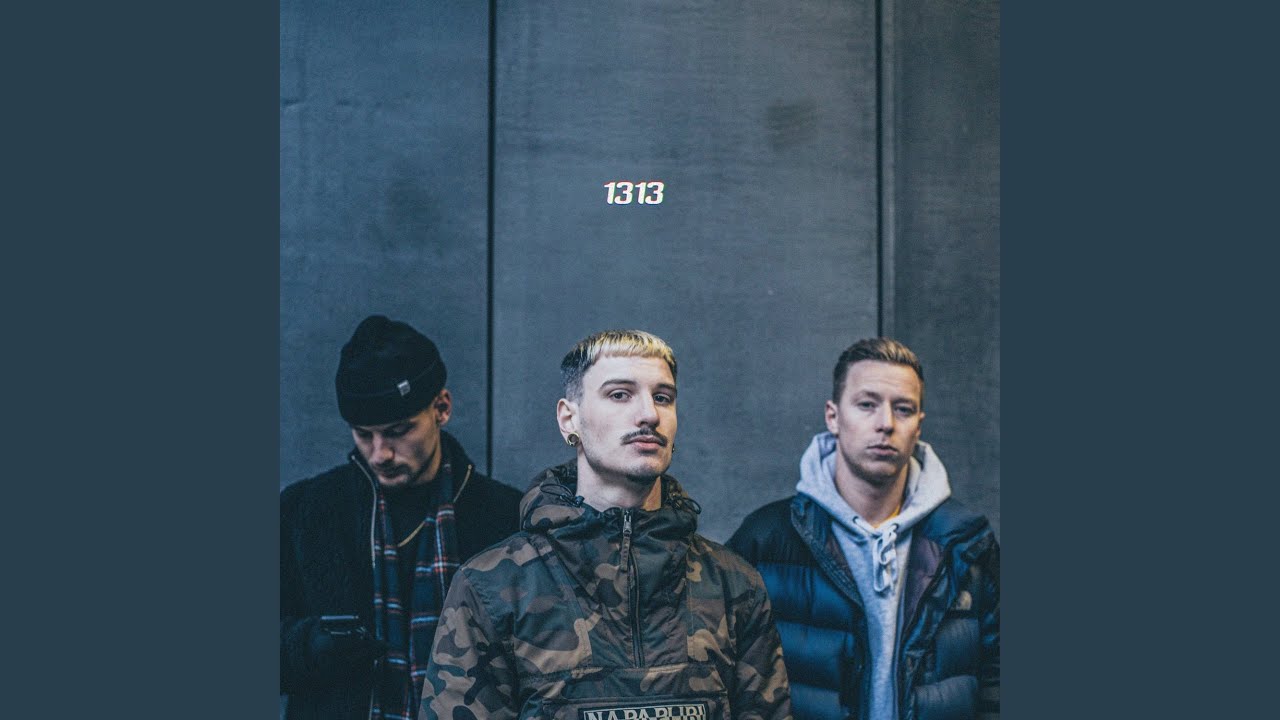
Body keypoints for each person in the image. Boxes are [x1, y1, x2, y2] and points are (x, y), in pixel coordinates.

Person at [419, 330, 792, 720]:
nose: (649, 414)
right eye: (620, 395)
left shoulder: (734, 585)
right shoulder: (493, 587)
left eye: (663, 397)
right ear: (570, 418)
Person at [728, 338, 999, 720]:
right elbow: (727, 681)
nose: (886, 423)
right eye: (867, 404)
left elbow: (997, 681)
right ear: (833, 416)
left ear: (918, 426)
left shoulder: (966, 543)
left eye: (903, 409)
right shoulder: (767, 540)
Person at [281, 315, 523, 720]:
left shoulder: (505, 517)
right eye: (364, 434)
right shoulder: (307, 512)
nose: (380, 454)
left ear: (441, 408)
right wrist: (310, 645)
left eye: (398, 431)